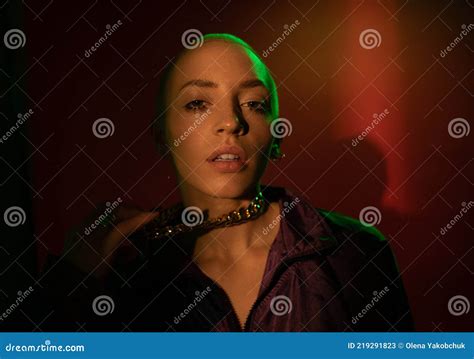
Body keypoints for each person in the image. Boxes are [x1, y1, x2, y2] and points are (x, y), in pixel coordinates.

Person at [18, 33, 413, 332]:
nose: (231, 122)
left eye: (254, 104)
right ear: (161, 136)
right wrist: (69, 281)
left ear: (276, 136)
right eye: (197, 103)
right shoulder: (121, 272)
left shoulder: (355, 252)